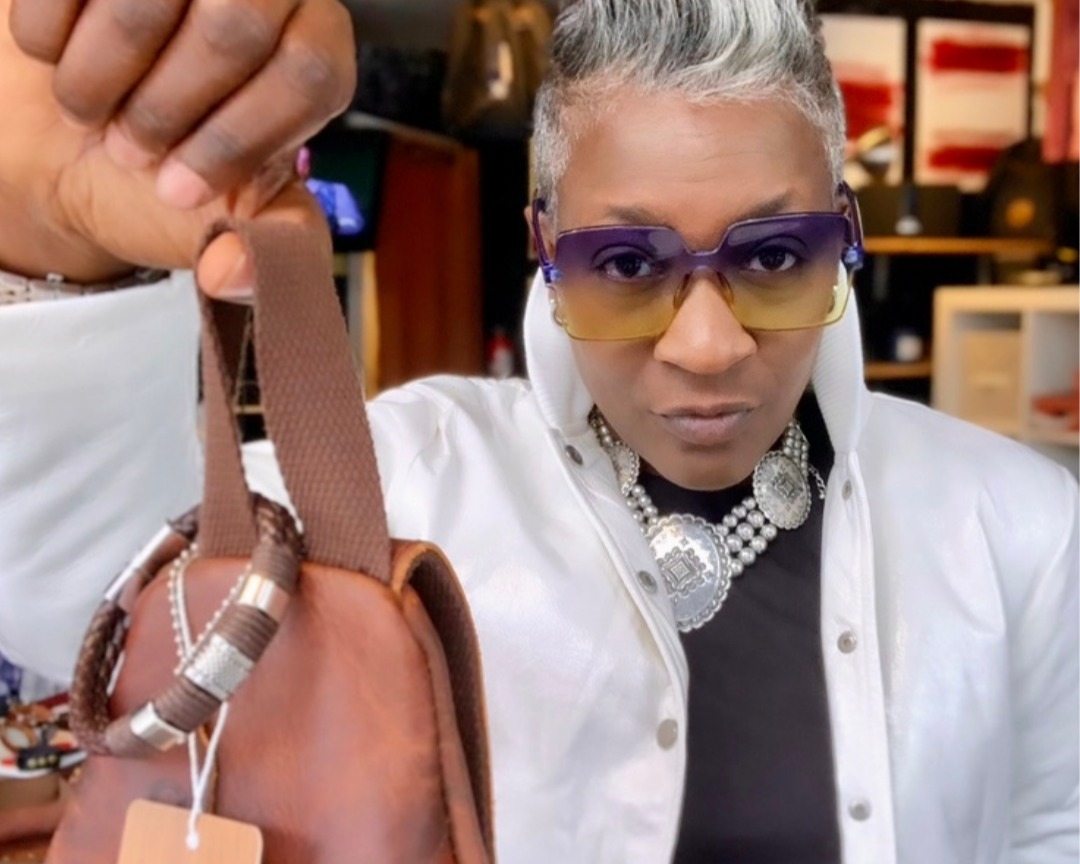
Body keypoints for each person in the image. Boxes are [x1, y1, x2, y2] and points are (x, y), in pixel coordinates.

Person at [0, 1, 1076, 862]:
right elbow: (85, 603)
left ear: (842, 238)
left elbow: (1048, 830)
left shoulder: (1015, 523)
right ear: (544, 249)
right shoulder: (401, 482)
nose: (706, 346)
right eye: (623, 265)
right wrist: (50, 242)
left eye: (774, 255)